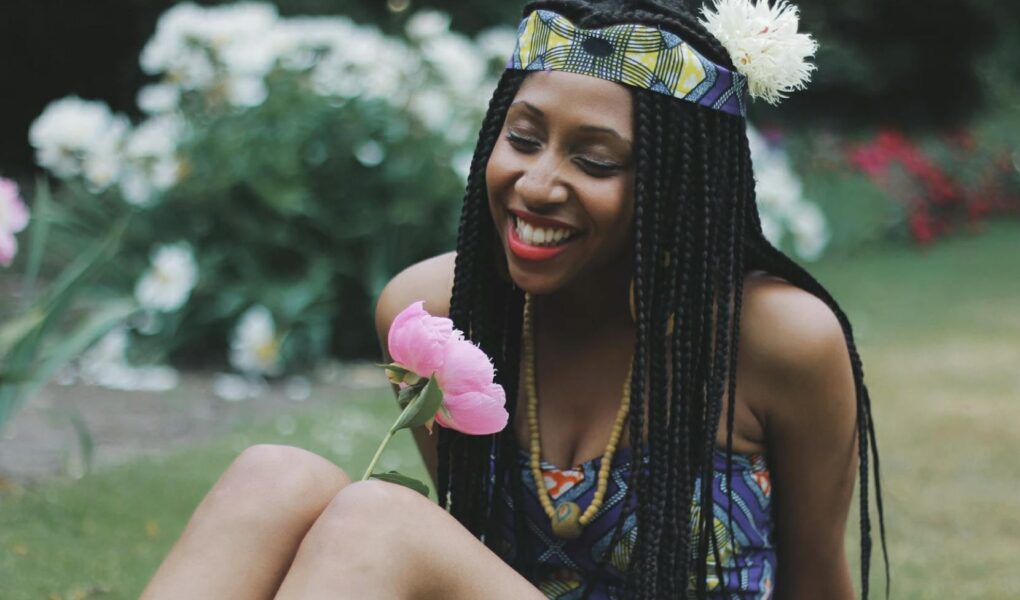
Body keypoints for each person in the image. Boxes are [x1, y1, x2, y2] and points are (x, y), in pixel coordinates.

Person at [140, 0, 886, 598]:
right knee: (276, 475)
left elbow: (818, 579)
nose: (536, 184)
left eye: (592, 159)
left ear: (677, 189)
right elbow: (471, 550)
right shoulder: (438, 310)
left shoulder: (777, 336)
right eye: (523, 140)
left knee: (381, 521)